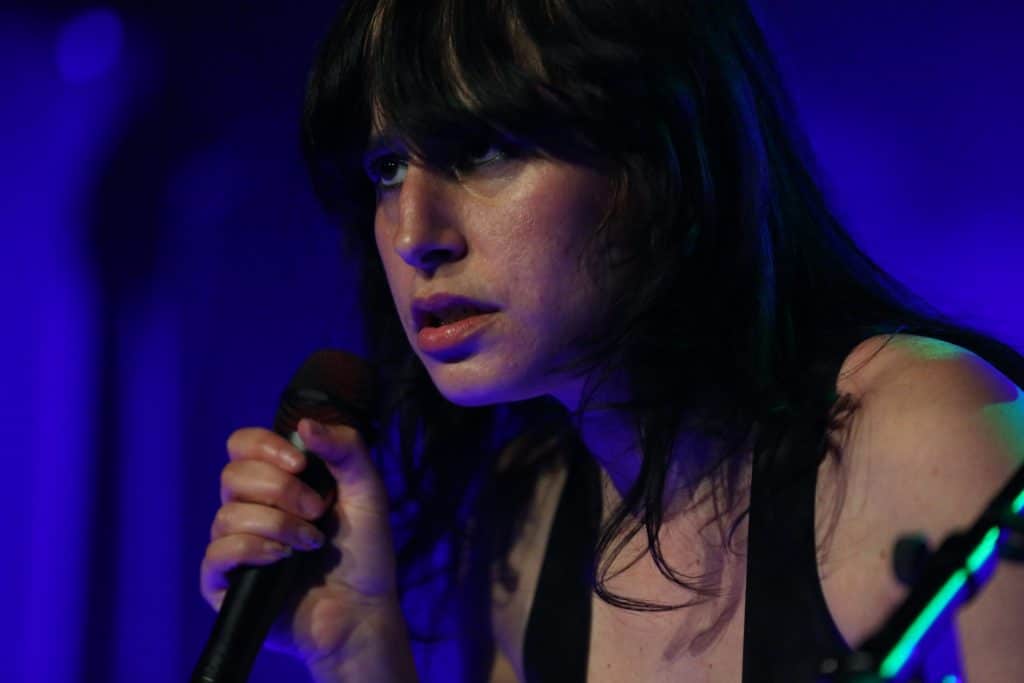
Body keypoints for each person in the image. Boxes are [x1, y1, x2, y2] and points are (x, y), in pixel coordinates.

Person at [198, 1, 1024, 681]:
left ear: (663, 148)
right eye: (386, 169)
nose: (415, 233)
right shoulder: (532, 513)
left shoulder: (933, 431)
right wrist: (358, 649)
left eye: (482, 147)